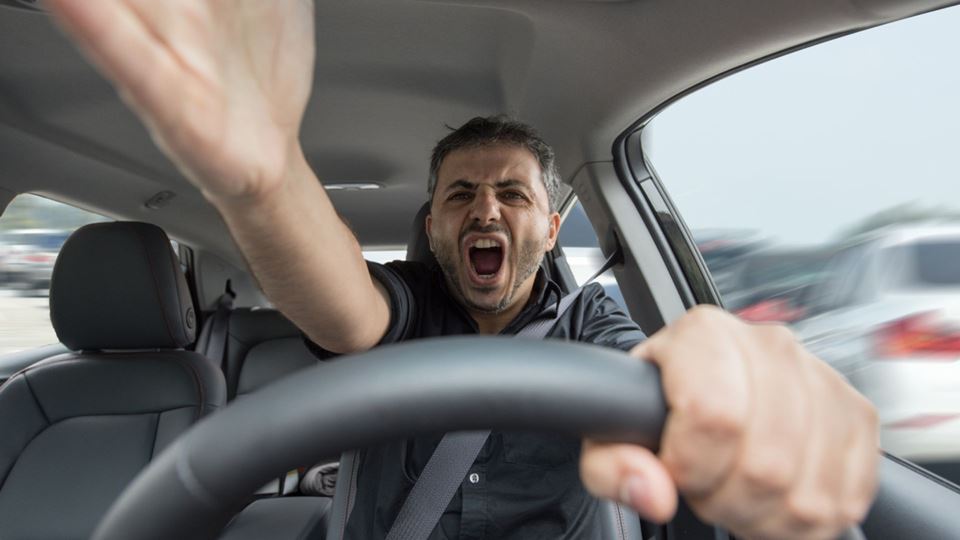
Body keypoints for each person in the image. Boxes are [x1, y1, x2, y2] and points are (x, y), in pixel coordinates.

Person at [44, 2, 879, 539]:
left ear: (550, 229)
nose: (486, 212)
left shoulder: (590, 325)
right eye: (461, 196)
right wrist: (262, 182)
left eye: (511, 195)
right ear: (433, 224)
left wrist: (727, 376)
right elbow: (347, 311)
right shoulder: (407, 309)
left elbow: (651, 363)